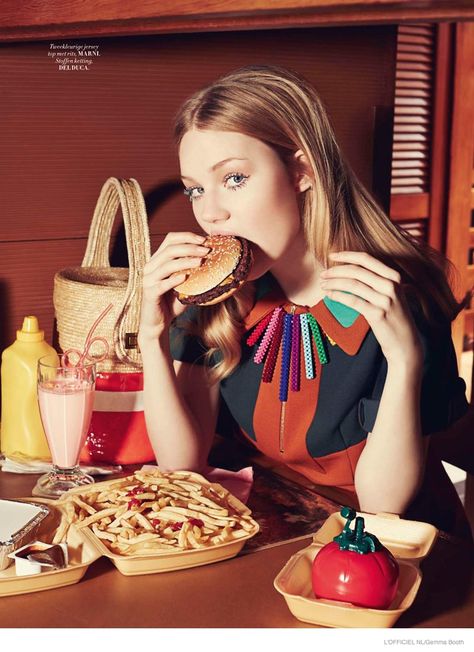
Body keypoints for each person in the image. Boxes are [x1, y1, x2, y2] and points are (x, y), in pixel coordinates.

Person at [138, 65, 471, 539]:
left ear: (301, 171)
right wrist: (150, 337)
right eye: (196, 189)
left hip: (402, 556)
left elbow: (382, 504)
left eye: (233, 179)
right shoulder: (223, 296)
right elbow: (181, 463)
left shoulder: (392, 300)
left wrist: (404, 360)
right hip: (287, 534)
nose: (210, 213)